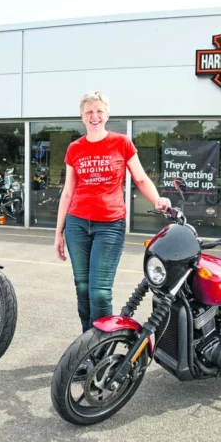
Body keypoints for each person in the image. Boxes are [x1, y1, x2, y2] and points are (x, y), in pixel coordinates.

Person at [54, 90, 171, 332]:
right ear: (82, 116)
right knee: (83, 287)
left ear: (107, 114)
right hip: (77, 224)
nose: (94, 116)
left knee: (99, 291)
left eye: (99, 111)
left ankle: (100, 346)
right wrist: (58, 233)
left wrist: (157, 199)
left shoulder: (121, 142)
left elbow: (140, 178)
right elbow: (67, 192)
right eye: (89, 112)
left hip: (109, 225)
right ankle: (87, 343)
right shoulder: (74, 148)